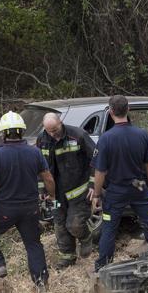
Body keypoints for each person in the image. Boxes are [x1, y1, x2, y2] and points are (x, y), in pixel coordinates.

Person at [0, 111, 56, 290]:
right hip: (31, 209)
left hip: (5, 209)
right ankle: (41, 283)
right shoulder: (35, 152)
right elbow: (49, 179)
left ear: (4, 133)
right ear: (22, 132)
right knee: (33, 244)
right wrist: (52, 196)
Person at [91, 95, 148, 271]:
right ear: (128, 109)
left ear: (110, 113)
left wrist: (97, 194)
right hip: (138, 186)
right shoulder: (142, 135)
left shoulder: (106, 139)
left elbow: (100, 172)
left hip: (116, 189)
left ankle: (103, 266)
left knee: (109, 226)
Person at [36, 113, 96, 269]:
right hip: (55, 195)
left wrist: (93, 183)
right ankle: (67, 257)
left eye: (55, 129)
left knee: (74, 225)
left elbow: (97, 159)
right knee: (60, 224)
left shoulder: (78, 136)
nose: (52, 134)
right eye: (49, 131)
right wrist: (42, 187)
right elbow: (38, 166)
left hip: (78, 190)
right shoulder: (42, 140)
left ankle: (86, 236)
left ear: (60, 123)